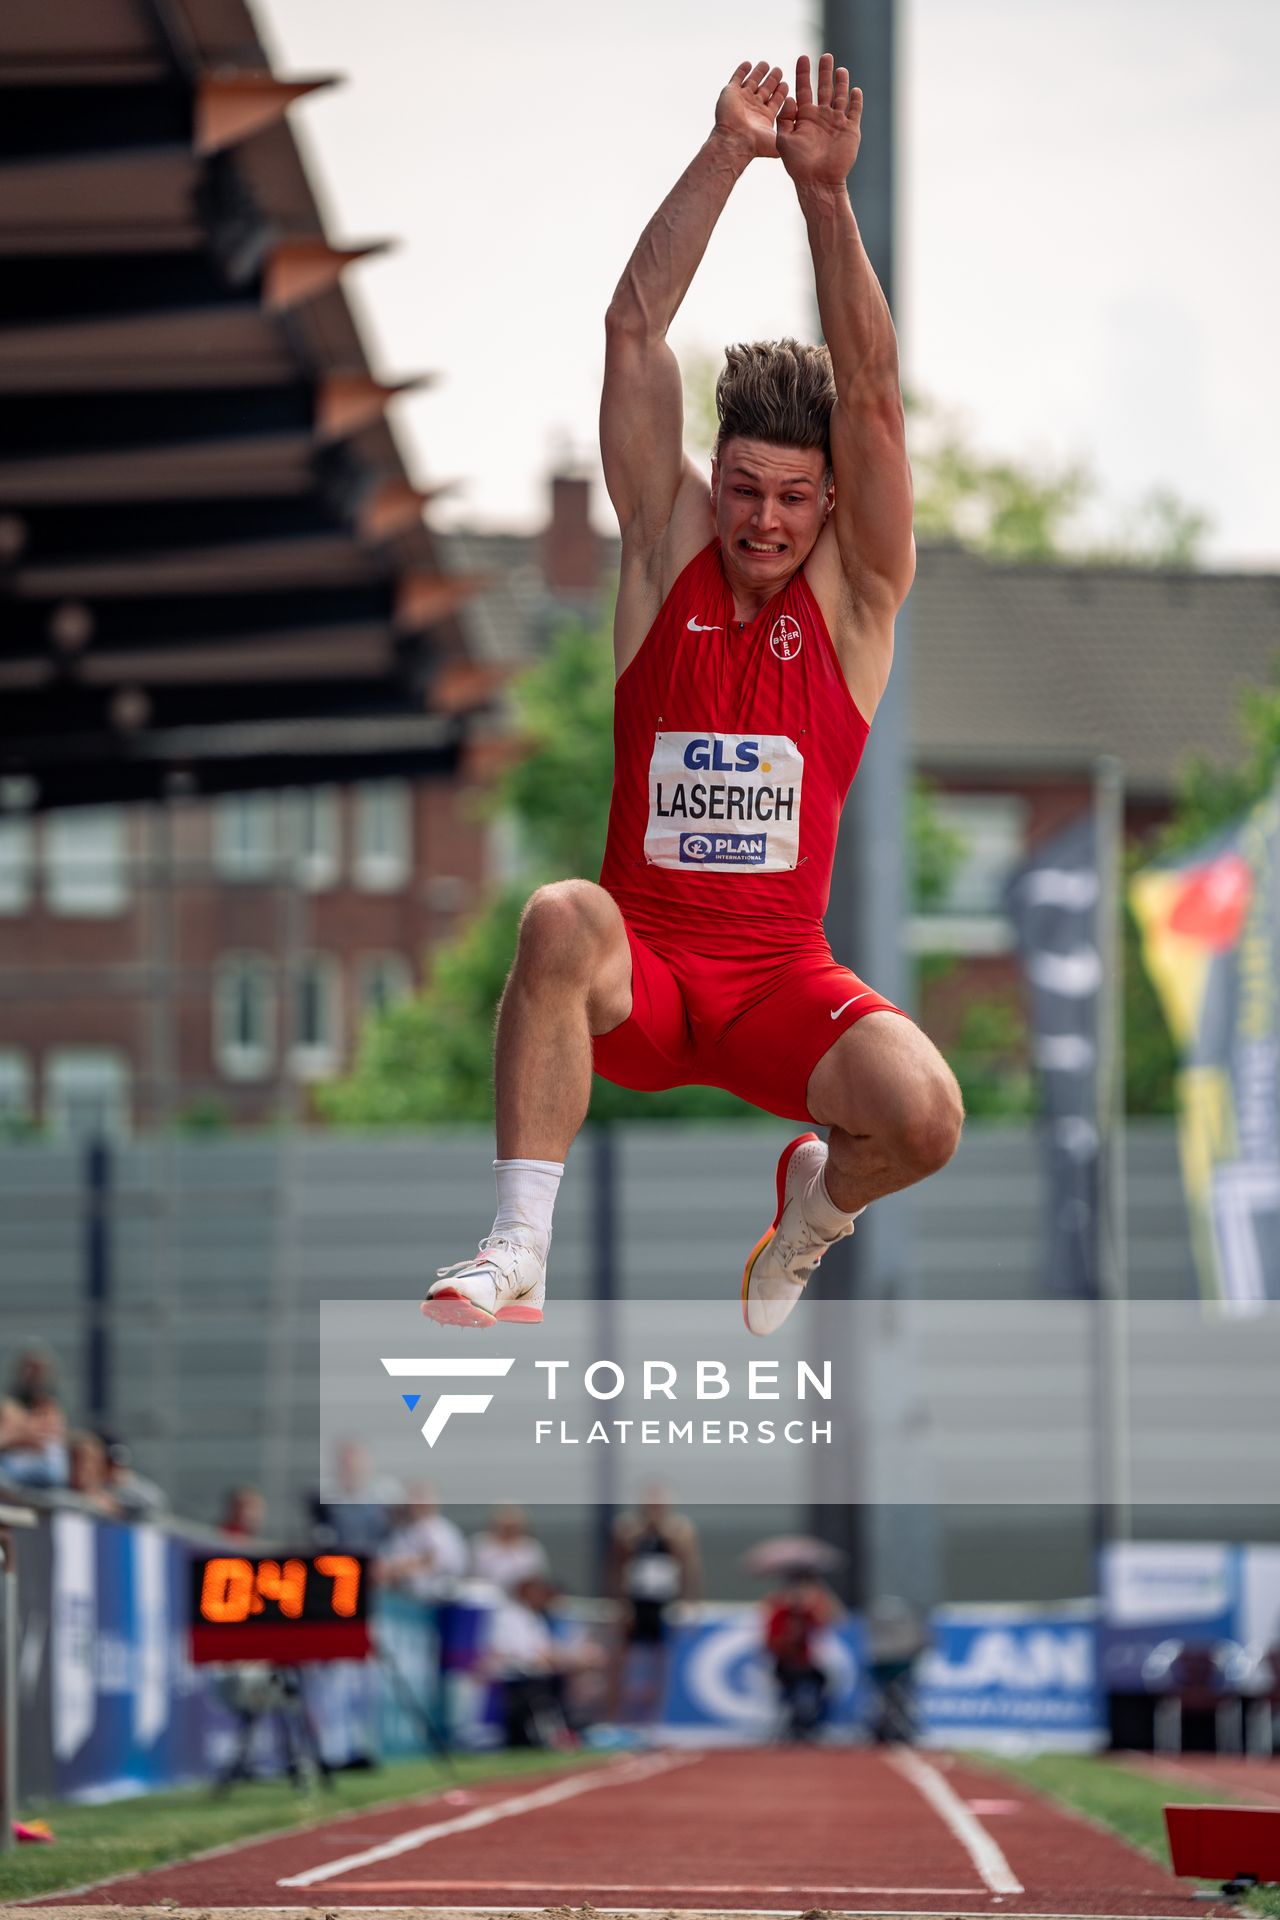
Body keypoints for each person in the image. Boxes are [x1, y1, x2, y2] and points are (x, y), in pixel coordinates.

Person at [425, 54, 962, 1336]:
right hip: (647, 982)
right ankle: (516, 1248)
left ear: (826, 500)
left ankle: (815, 1205)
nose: (762, 520)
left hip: (779, 982)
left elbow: (875, 401)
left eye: (790, 497)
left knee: (926, 1115)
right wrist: (729, 152)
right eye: (742, 488)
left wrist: (824, 200)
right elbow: (633, 329)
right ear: (709, 476)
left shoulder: (854, 598)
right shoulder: (663, 547)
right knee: (558, 914)